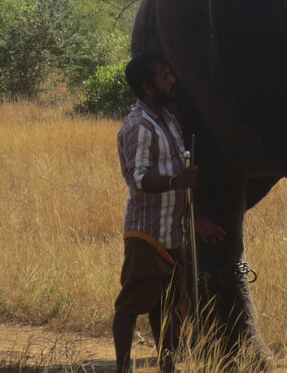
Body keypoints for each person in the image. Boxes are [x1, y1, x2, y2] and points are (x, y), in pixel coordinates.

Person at [112, 52, 224, 373]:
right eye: (165, 76)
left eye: (170, 74)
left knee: (170, 308)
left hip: (172, 233)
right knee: (132, 304)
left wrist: (197, 220)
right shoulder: (139, 126)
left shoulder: (168, 121)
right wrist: (177, 179)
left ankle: (168, 368)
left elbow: (181, 184)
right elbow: (138, 179)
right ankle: (122, 368)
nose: (173, 80)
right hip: (146, 233)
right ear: (148, 88)